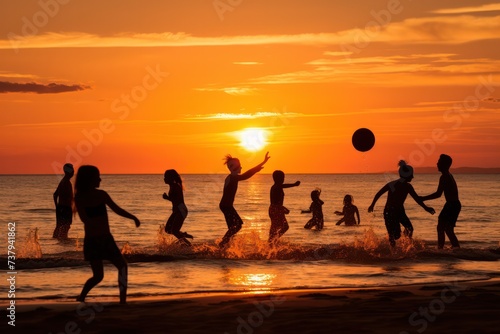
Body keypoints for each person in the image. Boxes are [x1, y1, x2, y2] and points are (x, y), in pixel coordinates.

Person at [74, 165, 140, 304]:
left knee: (122, 266)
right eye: (97, 177)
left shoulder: (102, 194)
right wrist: (95, 225)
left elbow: (117, 209)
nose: (100, 179)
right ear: (89, 179)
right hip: (92, 241)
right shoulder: (79, 197)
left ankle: (122, 301)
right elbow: (84, 218)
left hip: (106, 239)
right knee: (98, 276)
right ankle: (82, 297)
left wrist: (133, 217)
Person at [368, 160, 435, 247]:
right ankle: (392, 250)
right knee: (394, 235)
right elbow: (379, 193)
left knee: (409, 228)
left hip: (399, 211)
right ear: (406, 175)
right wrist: (372, 204)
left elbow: (417, 199)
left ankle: (406, 246)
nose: (413, 177)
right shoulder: (393, 184)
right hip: (390, 211)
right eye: (411, 175)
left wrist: (426, 208)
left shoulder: (408, 187)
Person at [219, 152, 270, 248]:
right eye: (240, 166)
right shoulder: (232, 177)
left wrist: (257, 169)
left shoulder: (232, 177)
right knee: (238, 225)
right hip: (226, 206)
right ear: (234, 167)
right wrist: (262, 163)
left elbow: (246, 175)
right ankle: (223, 243)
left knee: (233, 227)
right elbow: (246, 175)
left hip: (226, 206)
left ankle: (226, 244)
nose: (241, 168)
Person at [420, 154, 461, 249]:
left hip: (451, 204)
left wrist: (423, 198)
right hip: (454, 204)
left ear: (444, 164)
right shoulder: (449, 175)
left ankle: (440, 249)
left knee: (441, 227)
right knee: (448, 229)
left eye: (439, 162)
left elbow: (438, 194)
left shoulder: (445, 177)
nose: (437, 164)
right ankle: (455, 248)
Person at [268, 170, 300, 244]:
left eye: (283, 177)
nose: (283, 179)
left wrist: (283, 208)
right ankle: (272, 240)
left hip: (276, 208)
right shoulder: (276, 186)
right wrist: (294, 184)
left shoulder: (277, 187)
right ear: (276, 178)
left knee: (276, 227)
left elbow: (276, 201)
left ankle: (272, 241)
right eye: (282, 177)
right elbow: (283, 186)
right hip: (275, 209)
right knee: (283, 227)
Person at [163, 169, 192, 246]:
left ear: (171, 178)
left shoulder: (176, 186)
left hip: (181, 210)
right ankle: (183, 235)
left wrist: (167, 198)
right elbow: (175, 200)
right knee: (168, 230)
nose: (164, 178)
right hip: (177, 210)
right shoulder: (172, 186)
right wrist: (168, 198)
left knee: (174, 231)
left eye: (166, 177)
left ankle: (188, 245)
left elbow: (178, 200)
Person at [53, 163, 74, 239]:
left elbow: (55, 195)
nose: (73, 172)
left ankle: (56, 241)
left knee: (59, 226)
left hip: (61, 207)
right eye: (72, 170)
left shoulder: (62, 181)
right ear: (69, 171)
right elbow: (70, 197)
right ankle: (63, 242)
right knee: (65, 226)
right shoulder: (67, 183)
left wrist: (57, 207)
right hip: (66, 208)